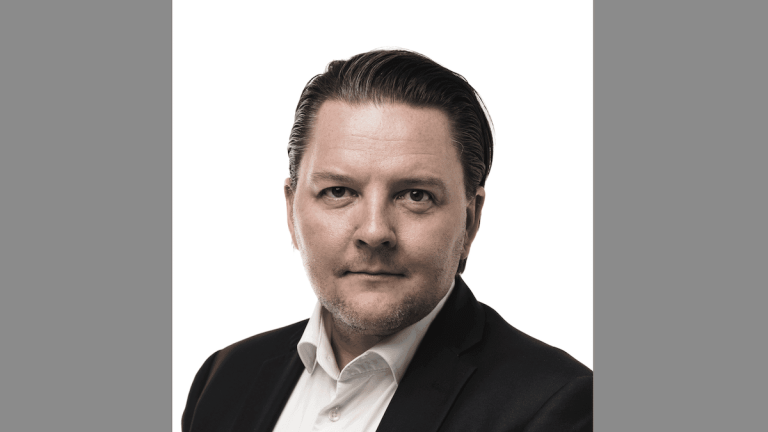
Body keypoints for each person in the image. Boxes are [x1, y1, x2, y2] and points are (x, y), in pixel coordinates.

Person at [182, 49, 592, 432]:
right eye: (339, 191)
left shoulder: (558, 405)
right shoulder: (224, 378)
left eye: (415, 195)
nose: (375, 231)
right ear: (291, 211)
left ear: (470, 220)